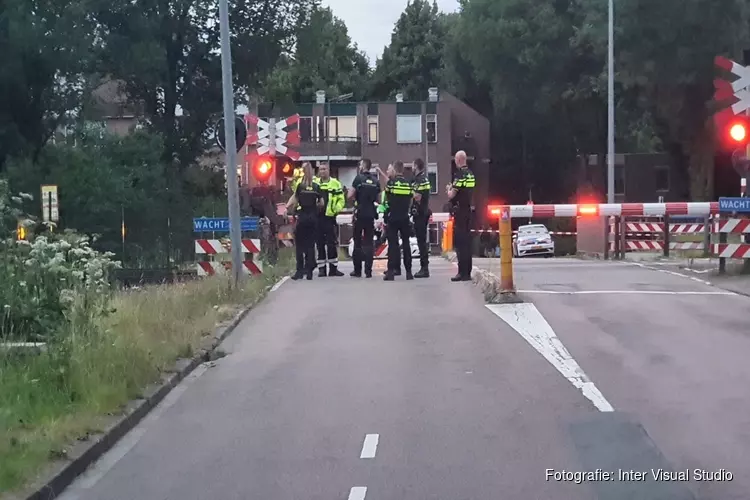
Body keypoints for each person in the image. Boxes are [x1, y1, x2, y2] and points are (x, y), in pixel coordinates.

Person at [285, 162, 323, 280]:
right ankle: (309, 271)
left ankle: (299, 271)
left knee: (300, 246)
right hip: (313, 218)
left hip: (302, 217)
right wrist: (316, 209)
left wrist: (290, 209)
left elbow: (295, 201)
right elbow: (322, 203)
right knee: (310, 245)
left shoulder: (300, 186)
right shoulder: (316, 186)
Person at [347, 158, 380, 278]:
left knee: (357, 242)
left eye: (360, 164)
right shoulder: (376, 181)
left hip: (360, 213)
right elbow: (379, 199)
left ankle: (357, 270)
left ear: (363, 166)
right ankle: (368, 271)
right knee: (369, 242)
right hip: (370, 213)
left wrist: (356, 198)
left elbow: (349, 195)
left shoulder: (358, 179)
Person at [446, 150, 476, 281]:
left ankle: (461, 272)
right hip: (468, 210)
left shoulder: (459, 175)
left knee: (460, 242)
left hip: (459, 211)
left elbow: (452, 194)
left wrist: (449, 189)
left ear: (458, 160)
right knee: (467, 243)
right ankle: (467, 272)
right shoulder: (471, 175)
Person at [383, 161, 414, 281]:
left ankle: (391, 272)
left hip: (393, 217)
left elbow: (387, 198)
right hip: (404, 217)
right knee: (406, 244)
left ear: (395, 170)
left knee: (393, 245)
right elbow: (411, 199)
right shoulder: (408, 184)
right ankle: (409, 272)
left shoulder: (391, 183)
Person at [314, 162, 346, 277]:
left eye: (324, 169)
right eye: (321, 169)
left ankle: (333, 269)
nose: (322, 171)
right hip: (317, 217)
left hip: (329, 217)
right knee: (320, 243)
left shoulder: (335, 183)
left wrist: (335, 210)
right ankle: (322, 269)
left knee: (331, 243)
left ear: (328, 170)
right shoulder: (315, 183)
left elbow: (341, 199)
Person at [411, 158, 432, 278]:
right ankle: (424, 267)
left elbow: (418, 197)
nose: (412, 168)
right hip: (422, 213)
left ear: (416, 166)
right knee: (421, 241)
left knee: (421, 242)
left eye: (413, 165)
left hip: (420, 214)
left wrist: (410, 192)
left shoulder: (420, 180)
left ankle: (424, 268)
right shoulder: (423, 179)